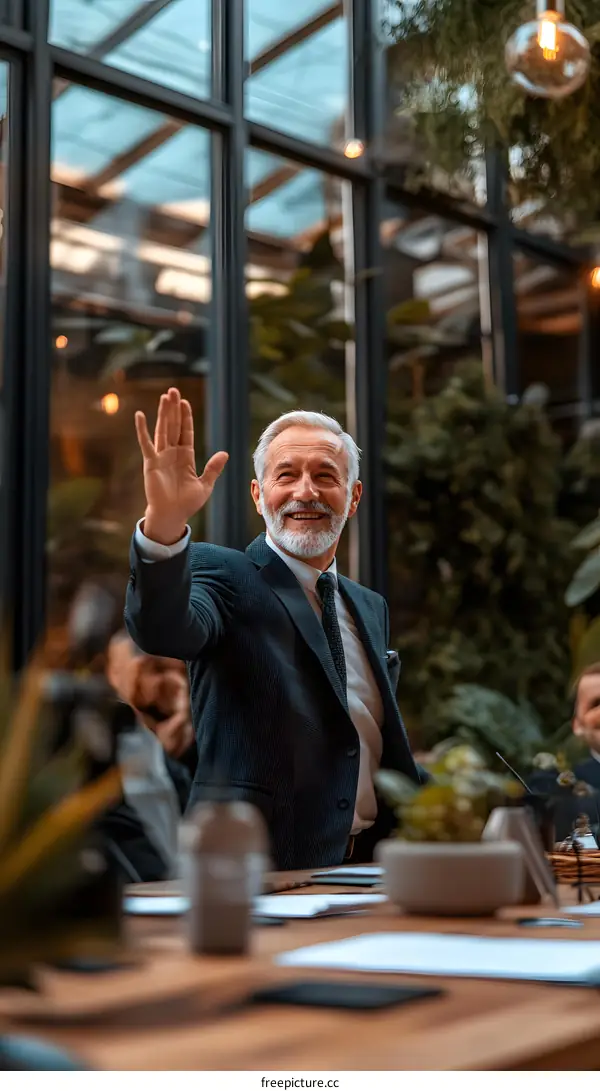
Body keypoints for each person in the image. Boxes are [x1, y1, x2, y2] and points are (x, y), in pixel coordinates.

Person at [125, 387, 422, 869]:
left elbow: (360, 738)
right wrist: (164, 526)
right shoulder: (223, 574)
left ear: (353, 498)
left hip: (370, 868)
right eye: (286, 475)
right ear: (259, 494)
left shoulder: (369, 607)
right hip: (259, 872)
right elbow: (162, 630)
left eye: (326, 476)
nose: (306, 491)